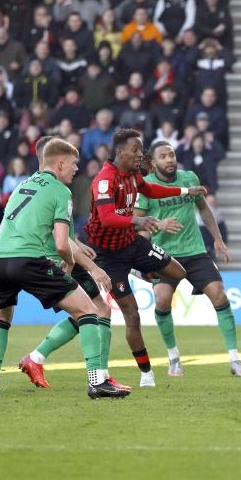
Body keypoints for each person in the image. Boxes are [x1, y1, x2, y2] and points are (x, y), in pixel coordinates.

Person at [0, 138, 126, 399]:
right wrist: (82, 265)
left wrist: (75, 252)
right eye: (73, 164)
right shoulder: (60, 191)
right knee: (89, 310)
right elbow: (61, 243)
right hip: (31, 260)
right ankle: (97, 381)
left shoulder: (20, 186)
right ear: (60, 163)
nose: (76, 168)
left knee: (2, 318)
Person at [86, 129, 207, 387]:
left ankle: (139, 271)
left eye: (141, 150)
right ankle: (146, 374)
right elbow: (107, 218)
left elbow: (151, 189)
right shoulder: (105, 180)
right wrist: (138, 220)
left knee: (178, 272)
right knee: (132, 315)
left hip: (133, 244)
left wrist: (185, 191)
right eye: (136, 150)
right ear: (120, 152)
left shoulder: (132, 175)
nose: (141, 155)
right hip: (110, 256)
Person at [134, 141, 241, 377]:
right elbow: (135, 222)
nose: (170, 160)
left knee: (220, 294)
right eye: (163, 156)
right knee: (162, 300)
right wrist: (159, 224)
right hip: (164, 254)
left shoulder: (189, 178)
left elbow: (204, 209)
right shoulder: (146, 187)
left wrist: (217, 239)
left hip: (194, 250)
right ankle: (173, 356)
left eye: (172, 155)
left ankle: (235, 359)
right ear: (153, 164)